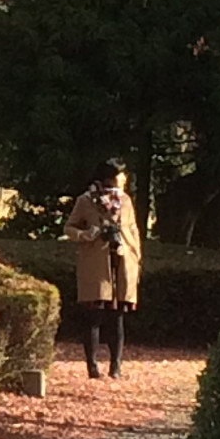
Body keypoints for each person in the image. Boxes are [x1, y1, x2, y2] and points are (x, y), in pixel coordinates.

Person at [64, 158, 142, 379]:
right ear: (110, 177)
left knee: (117, 317)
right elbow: (69, 227)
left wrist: (136, 255)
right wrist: (86, 235)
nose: (125, 178)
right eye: (121, 174)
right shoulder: (86, 200)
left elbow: (133, 229)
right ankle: (92, 365)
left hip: (122, 261)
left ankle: (116, 366)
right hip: (95, 264)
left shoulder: (126, 201)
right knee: (94, 316)